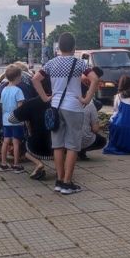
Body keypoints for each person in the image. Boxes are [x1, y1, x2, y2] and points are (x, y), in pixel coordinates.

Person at [32, 32, 98, 195]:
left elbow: (35, 79)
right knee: (73, 145)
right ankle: (67, 183)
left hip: (55, 107)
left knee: (58, 145)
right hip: (73, 107)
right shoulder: (79, 63)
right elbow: (95, 79)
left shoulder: (51, 63)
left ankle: (59, 181)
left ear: (59, 47)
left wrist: (45, 98)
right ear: (74, 47)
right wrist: (86, 98)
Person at [0, 66, 26, 173]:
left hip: (6, 119)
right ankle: (16, 164)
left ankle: (3, 163)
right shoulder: (18, 91)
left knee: (6, 141)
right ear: (17, 77)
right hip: (16, 120)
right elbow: (20, 107)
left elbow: (1, 105)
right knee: (16, 142)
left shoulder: (4, 89)